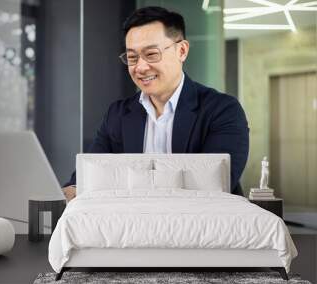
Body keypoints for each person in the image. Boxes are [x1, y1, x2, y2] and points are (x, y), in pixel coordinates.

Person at [63, 6, 249, 202]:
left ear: (182, 51)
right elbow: (89, 173)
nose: (141, 67)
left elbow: (215, 186)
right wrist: (72, 190)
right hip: (131, 225)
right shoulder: (118, 114)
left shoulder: (222, 110)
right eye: (132, 57)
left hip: (202, 226)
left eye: (151, 54)